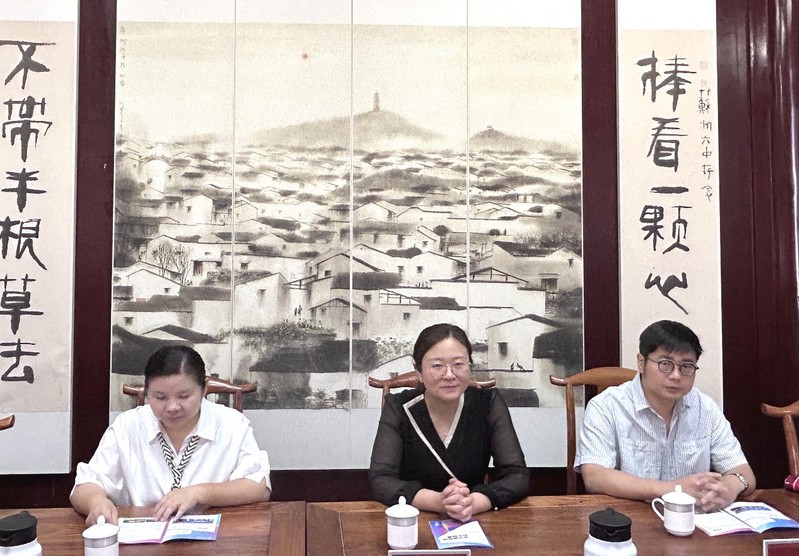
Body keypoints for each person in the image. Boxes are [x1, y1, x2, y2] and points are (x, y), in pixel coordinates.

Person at [71, 346, 271, 525]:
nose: (172, 407)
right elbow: (84, 485)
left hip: (216, 539)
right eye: (160, 397)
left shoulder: (232, 424)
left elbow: (259, 487)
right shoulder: (128, 426)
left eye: (184, 396)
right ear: (147, 392)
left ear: (204, 388)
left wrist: (199, 493)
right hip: (144, 540)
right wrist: (96, 502)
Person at [575, 320, 755, 511]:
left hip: (694, 520)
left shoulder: (706, 409)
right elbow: (594, 477)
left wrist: (730, 486)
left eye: (686, 366)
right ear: (641, 363)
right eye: (665, 364)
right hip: (629, 518)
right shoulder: (606, 406)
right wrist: (672, 489)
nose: (676, 375)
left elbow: (744, 473)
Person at [369, 323, 529, 522]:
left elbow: (517, 475)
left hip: (471, 520)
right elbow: (381, 479)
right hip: (412, 520)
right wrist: (439, 502)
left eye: (458, 364)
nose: (450, 375)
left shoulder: (488, 404)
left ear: (469, 365)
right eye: (437, 366)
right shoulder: (398, 407)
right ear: (418, 371)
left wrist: (475, 502)